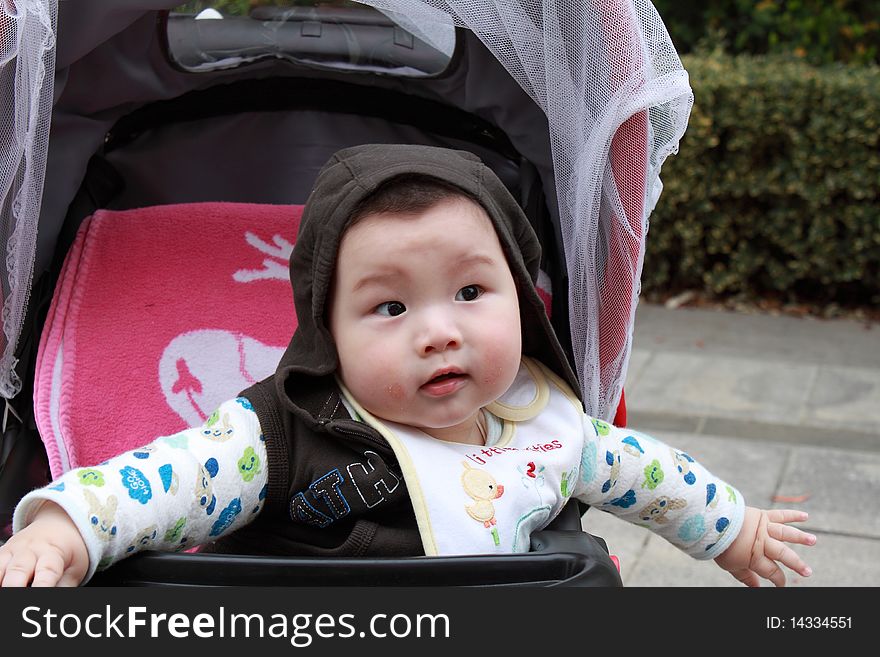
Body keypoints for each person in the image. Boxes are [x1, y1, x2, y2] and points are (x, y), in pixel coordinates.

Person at [0, 144, 815, 587]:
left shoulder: (548, 421)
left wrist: (732, 529)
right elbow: (170, 479)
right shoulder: (283, 431)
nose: (437, 331)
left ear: (525, 304)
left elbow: (650, 474)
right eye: (390, 307)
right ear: (328, 333)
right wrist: (68, 528)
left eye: (469, 291)